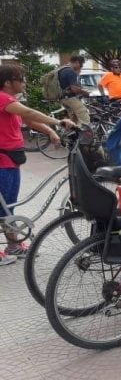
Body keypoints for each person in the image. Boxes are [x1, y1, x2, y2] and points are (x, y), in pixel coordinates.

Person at [0, 65, 75, 265]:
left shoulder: (10, 101)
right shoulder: (3, 99)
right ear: (8, 82)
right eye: (21, 79)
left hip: (10, 160)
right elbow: (30, 112)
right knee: (3, 207)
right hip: (2, 162)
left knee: (7, 207)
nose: (24, 82)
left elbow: (28, 119)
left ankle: (13, 245)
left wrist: (50, 131)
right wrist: (58, 123)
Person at [59, 55, 90, 126]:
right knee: (83, 114)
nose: (81, 66)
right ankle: (85, 135)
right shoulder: (70, 71)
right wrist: (86, 93)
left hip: (63, 98)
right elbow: (74, 89)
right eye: (81, 64)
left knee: (74, 119)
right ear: (76, 62)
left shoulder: (62, 70)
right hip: (70, 98)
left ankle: (69, 135)